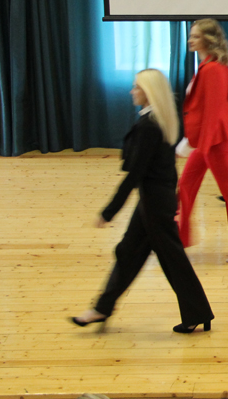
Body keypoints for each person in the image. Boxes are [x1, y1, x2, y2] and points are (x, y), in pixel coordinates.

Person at [71, 69, 214, 333]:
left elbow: (134, 175)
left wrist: (109, 211)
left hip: (155, 205)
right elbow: (165, 169)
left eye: (136, 87)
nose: (132, 91)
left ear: (148, 92)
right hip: (155, 200)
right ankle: (102, 308)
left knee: (172, 259)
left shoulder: (149, 126)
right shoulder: (158, 120)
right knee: (129, 252)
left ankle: (198, 313)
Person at [176, 19, 228, 263]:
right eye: (191, 35)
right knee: (186, 185)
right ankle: (176, 239)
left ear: (208, 40)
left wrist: (193, 142)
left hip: (214, 140)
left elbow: (214, 111)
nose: (190, 40)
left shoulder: (213, 69)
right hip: (208, 139)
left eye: (196, 36)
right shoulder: (208, 66)